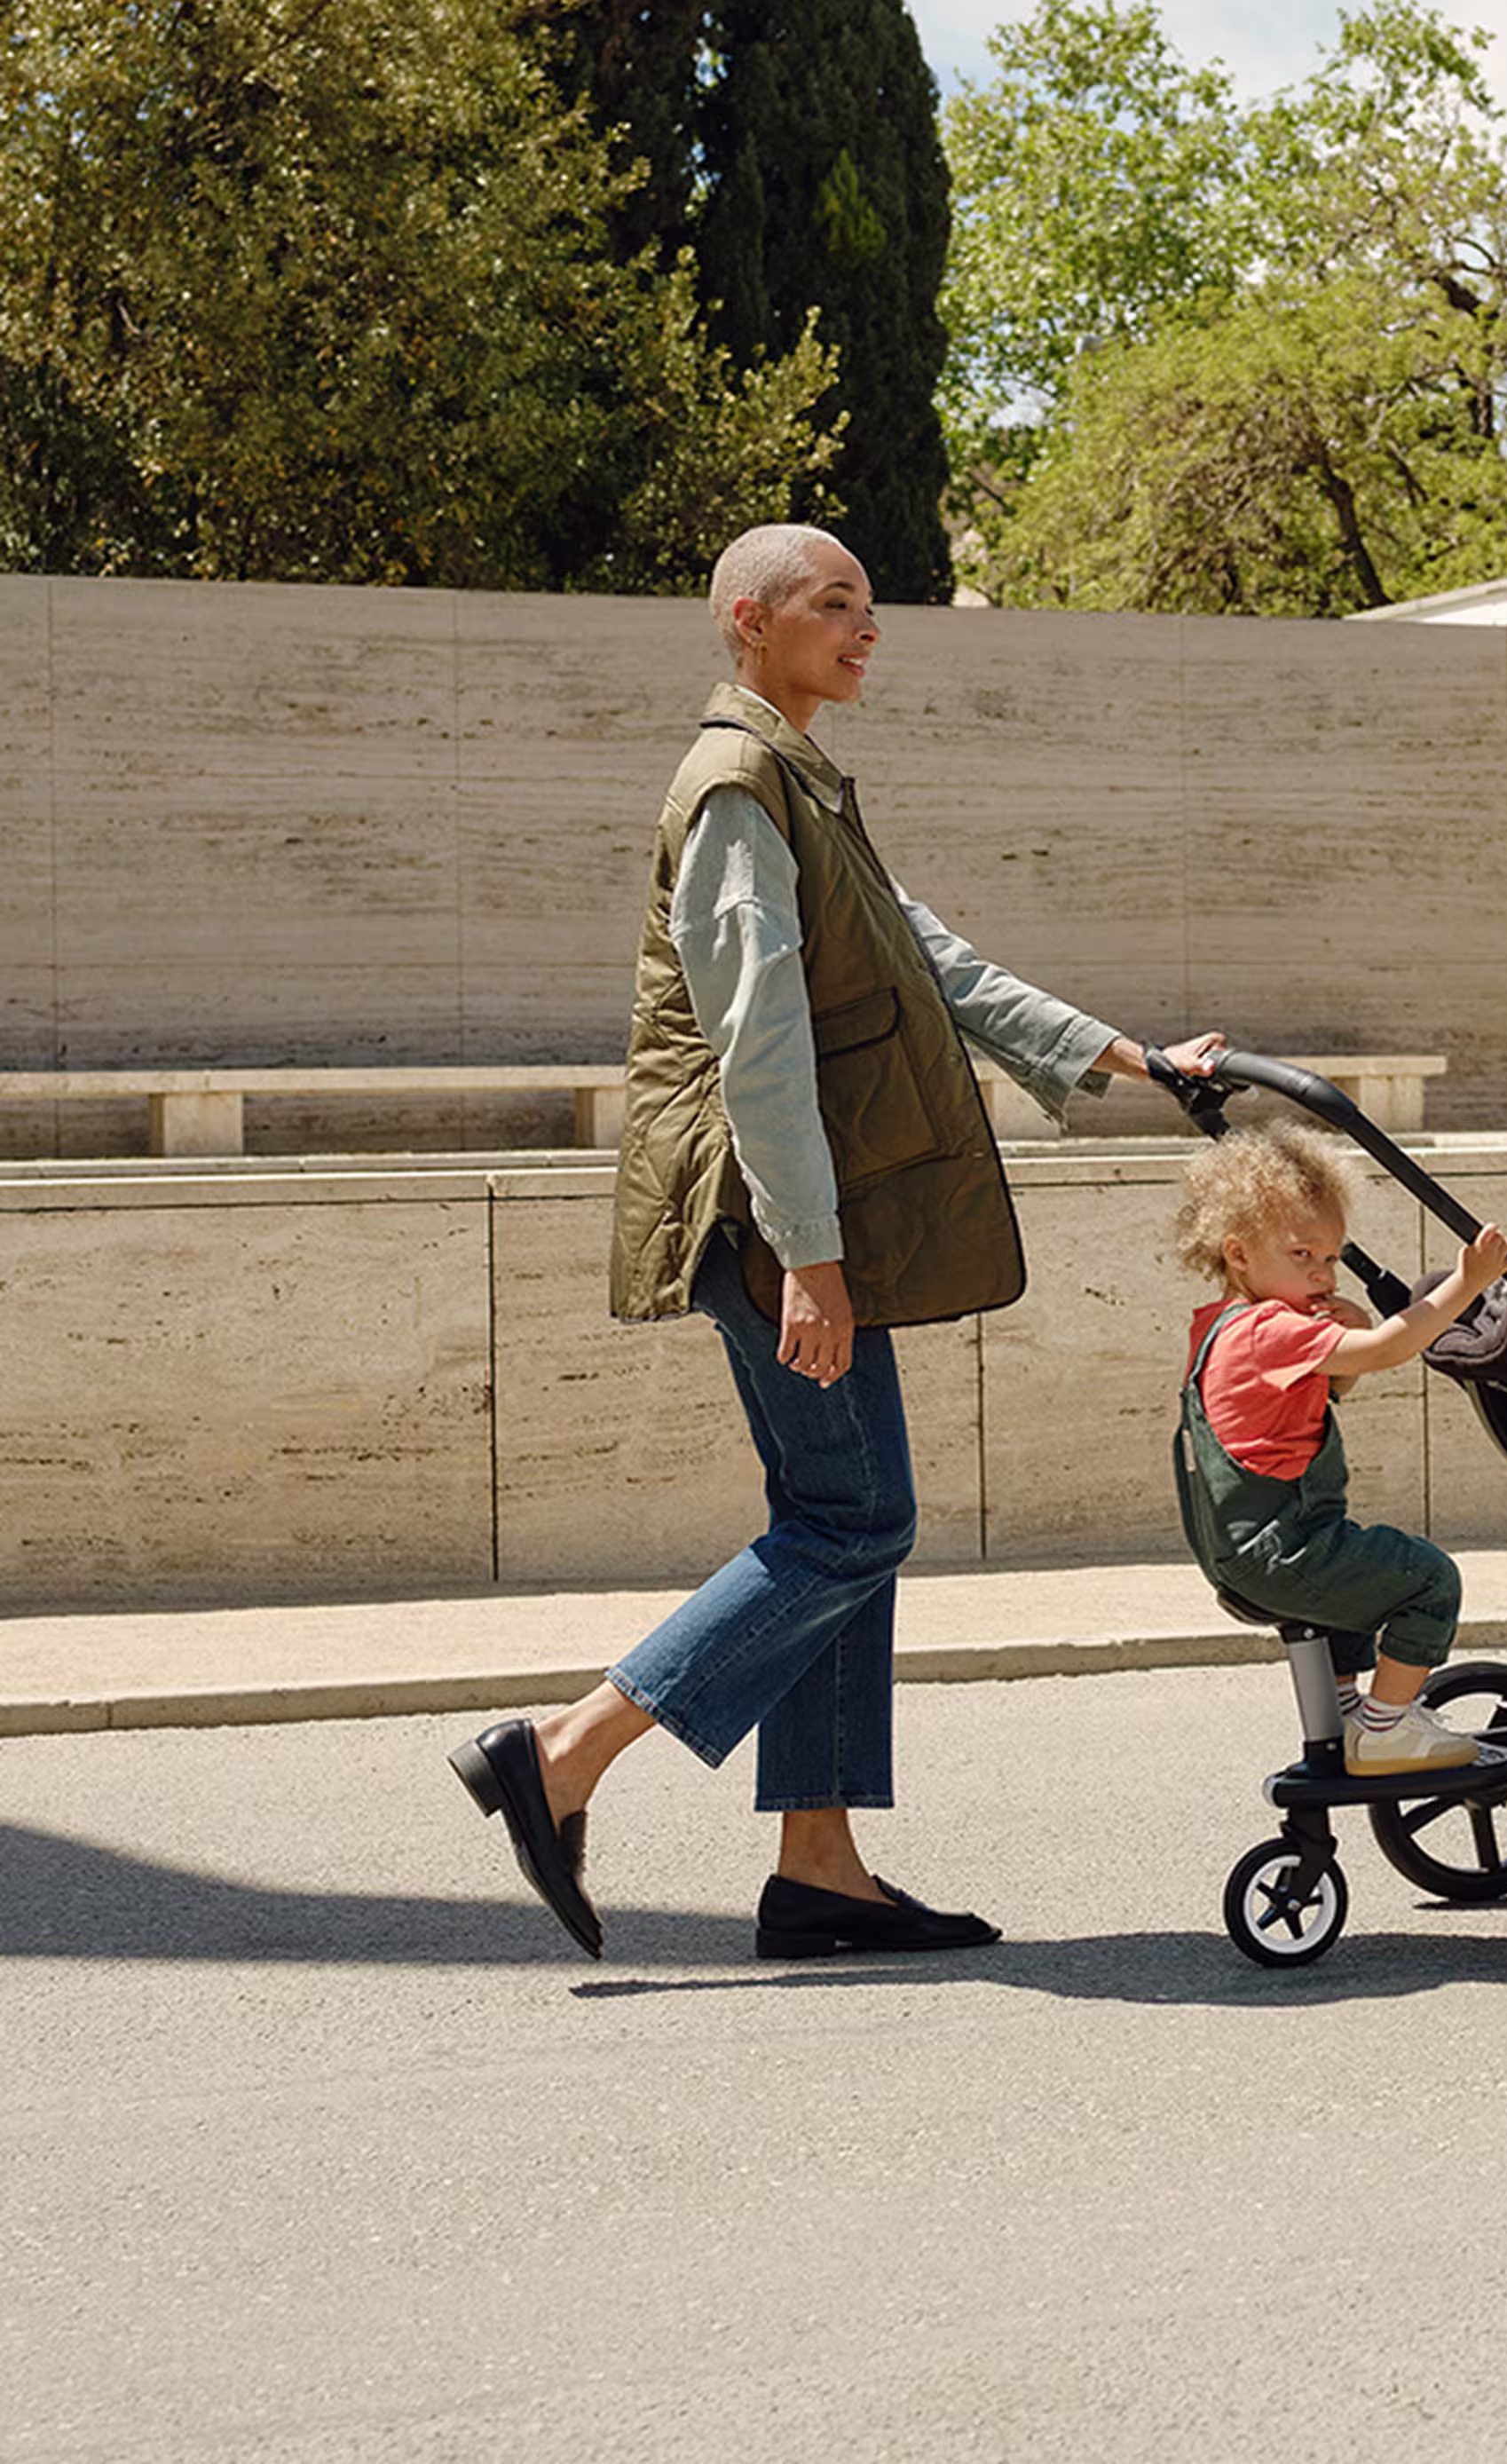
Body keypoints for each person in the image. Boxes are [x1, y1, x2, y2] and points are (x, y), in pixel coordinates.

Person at [451, 522, 1226, 1963]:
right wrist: (812, 1260)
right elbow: (754, 1049)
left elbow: (945, 965)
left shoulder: (801, 782)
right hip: (766, 1226)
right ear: (750, 621)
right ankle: (563, 1755)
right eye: (837, 605)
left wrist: (1137, 1062)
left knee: (837, 1526)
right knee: (856, 1520)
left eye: (872, 607)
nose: (869, 629)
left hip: (797, 1227)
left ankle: (820, 1867)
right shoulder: (739, 790)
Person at [1172, 1123, 1507, 1773]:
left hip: (1243, 1552)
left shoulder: (1220, 1326)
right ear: (1239, 1254)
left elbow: (1335, 1388)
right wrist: (1467, 1283)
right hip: (1283, 1546)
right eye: (1302, 1255)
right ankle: (1384, 1731)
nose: (1323, 1273)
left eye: (1330, 1258)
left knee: (1353, 1601)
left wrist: (1344, 1339)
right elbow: (1390, 1349)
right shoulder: (1273, 1329)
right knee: (1427, 1580)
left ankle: (1349, 1717)